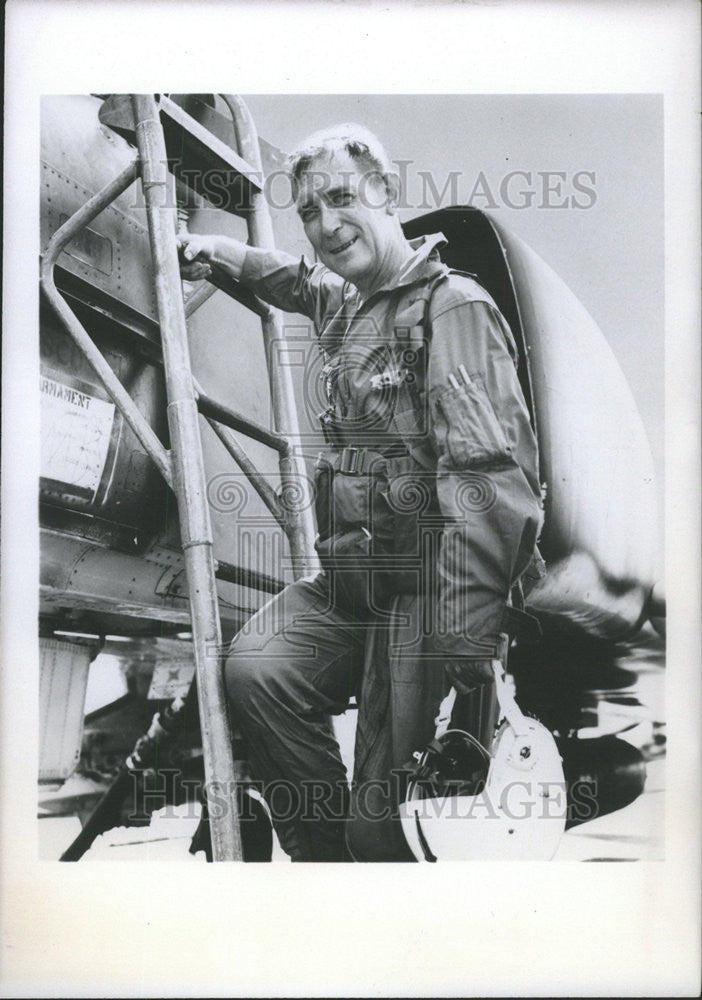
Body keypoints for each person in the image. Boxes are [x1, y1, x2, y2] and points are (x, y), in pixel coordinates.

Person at [179, 124, 543, 861]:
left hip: (425, 599)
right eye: (309, 211)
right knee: (258, 667)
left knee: (387, 819)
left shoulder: (451, 309)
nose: (324, 224)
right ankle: (328, 865)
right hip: (352, 588)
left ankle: (381, 883)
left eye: (341, 198)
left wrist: (462, 650)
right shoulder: (349, 306)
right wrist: (225, 254)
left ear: (386, 192)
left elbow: (488, 487)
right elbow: (297, 281)